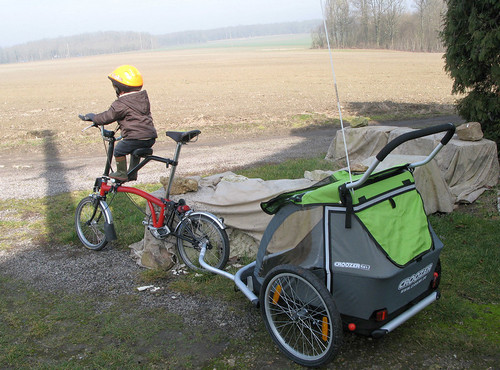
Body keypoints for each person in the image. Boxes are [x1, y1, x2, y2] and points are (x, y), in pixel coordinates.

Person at [79, 65, 157, 182]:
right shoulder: (142, 99)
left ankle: (121, 173)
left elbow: (107, 116)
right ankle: (132, 172)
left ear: (119, 88)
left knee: (120, 149)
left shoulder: (121, 103)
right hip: (149, 137)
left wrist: (93, 117)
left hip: (135, 137)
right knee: (134, 152)